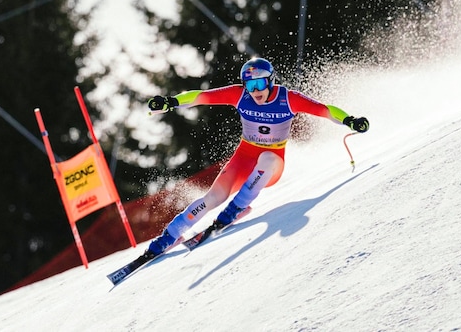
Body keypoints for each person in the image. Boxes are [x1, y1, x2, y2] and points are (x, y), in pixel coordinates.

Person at [144, 57, 369, 258]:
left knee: (267, 160)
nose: (255, 90)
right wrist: (170, 102)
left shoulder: (288, 99)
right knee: (213, 197)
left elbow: (325, 110)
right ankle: (169, 236)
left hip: (272, 163)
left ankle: (237, 207)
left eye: (260, 83)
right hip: (243, 158)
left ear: (270, 81)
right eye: (250, 85)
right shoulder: (239, 95)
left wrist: (350, 120)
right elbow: (201, 97)